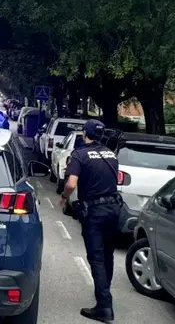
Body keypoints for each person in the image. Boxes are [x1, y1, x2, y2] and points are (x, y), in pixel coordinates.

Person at [59, 119, 121, 323]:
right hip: (114, 209)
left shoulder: (79, 154)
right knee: (108, 255)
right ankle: (104, 293)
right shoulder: (111, 155)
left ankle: (104, 306)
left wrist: (64, 198)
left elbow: (71, 183)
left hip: (95, 212)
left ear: (85, 133)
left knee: (96, 258)